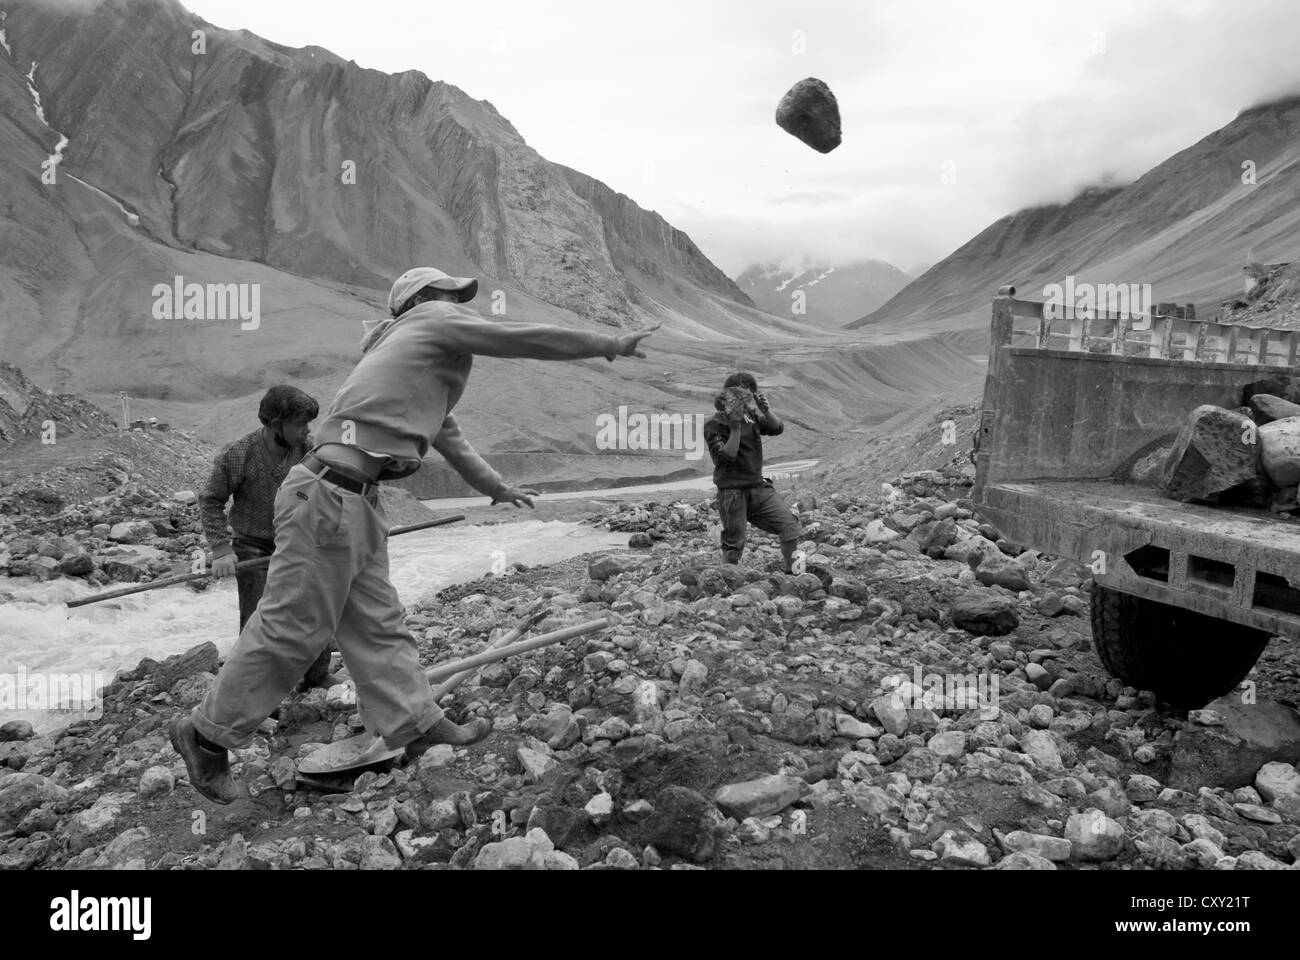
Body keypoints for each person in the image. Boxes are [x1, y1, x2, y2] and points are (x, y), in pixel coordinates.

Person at [170, 266, 656, 803]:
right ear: (424, 300)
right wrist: (608, 342)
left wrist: (495, 488)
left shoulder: (420, 368)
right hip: (329, 498)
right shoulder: (430, 322)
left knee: (377, 622)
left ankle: (416, 724)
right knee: (292, 627)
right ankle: (205, 734)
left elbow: (451, 439)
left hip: (351, 500)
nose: (460, 304)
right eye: (452, 295)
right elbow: (520, 337)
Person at [198, 385, 336, 692]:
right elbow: (210, 500)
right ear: (275, 425)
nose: (306, 430)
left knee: (313, 610)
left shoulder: (311, 452)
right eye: (299, 424)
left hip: (300, 543)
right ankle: (254, 688)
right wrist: (221, 550)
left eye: (307, 423)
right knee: (258, 620)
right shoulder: (238, 454)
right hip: (253, 547)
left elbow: (330, 493)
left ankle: (316, 676)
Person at [703, 372, 804, 572]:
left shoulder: (752, 416)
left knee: (790, 526)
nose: (745, 403)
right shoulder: (714, 424)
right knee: (734, 544)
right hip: (732, 492)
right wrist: (735, 428)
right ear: (727, 398)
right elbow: (727, 456)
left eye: (748, 397)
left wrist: (766, 411)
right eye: (739, 398)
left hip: (758, 487)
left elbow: (776, 428)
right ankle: (727, 583)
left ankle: (795, 575)